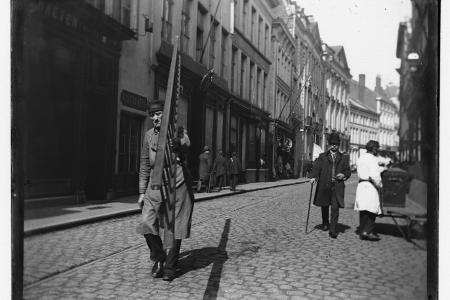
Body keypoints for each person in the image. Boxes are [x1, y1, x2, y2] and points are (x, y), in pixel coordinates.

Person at [136, 100, 194, 281]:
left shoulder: (179, 130)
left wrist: (178, 142)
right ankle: (159, 257)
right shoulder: (148, 136)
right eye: (152, 115)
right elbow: (145, 164)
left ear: (166, 114)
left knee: (176, 226)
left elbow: (186, 143)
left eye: (158, 113)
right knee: (146, 221)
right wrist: (141, 191)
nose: (155, 118)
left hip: (178, 183)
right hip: (155, 184)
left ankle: (170, 266)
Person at [309, 132, 351, 239]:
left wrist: (344, 175)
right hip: (324, 185)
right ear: (329, 144)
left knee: (335, 208)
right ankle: (325, 223)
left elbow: (348, 171)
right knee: (324, 205)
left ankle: (332, 230)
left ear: (339, 145)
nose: (334, 146)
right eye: (332, 144)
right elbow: (317, 168)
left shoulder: (344, 158)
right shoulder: (322, 156)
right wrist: (313, 177)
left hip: (337, 186)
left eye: (336, 144)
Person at [354, 140, 383, 241]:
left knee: (363, 210)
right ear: (374, 149)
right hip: (370, 186)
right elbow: (375, 175)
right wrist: (380, 185)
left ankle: (362, 231)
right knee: (372, 209)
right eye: (377, 149)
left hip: (361, 185)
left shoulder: (361, 157)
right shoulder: (372, 159)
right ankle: (367, 231)